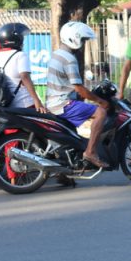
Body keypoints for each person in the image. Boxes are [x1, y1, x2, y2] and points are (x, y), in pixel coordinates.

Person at [45, 21, 108, 169]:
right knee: (101, 112)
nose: (84, 44)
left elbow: (69, 85)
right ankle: (91, 152)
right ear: (74, 38)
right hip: (63, 104)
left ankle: (64, 174)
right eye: (83, 40)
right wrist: (100, 101)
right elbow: (79, 88)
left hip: (53, 103)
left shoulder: (56, 54)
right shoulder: (69, 59)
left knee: (70, 139)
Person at [0, 23, 47, 114]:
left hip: (4, 105)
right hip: (24, 104)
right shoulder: (20, 55)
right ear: (16, 39)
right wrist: (37, 101)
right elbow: (25, 77)